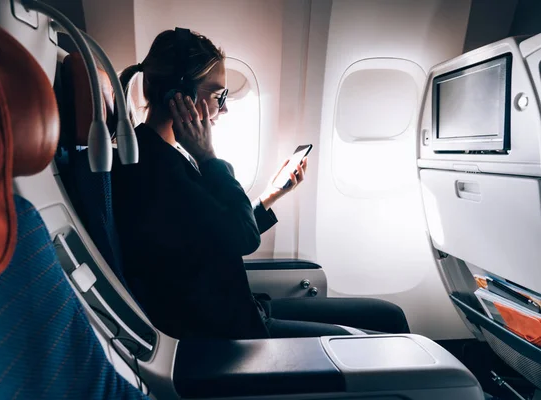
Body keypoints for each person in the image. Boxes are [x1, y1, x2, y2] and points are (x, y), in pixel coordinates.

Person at [111, 28, 409, 339]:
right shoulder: (153, 168)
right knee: (383, 331)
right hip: (230, 334)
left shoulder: (163, 153)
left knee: (387, 316)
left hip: (240, 310)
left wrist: (270, 196)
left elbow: (215, 231)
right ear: (178, 94)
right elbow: (242, 238)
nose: (224, 108)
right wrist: (209, 156)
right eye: (218, 95)